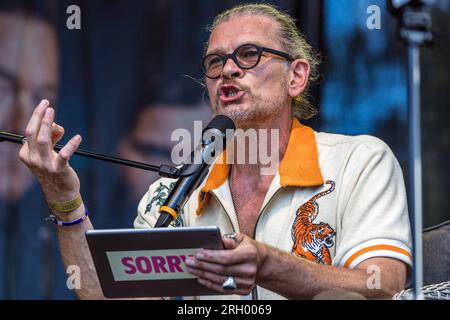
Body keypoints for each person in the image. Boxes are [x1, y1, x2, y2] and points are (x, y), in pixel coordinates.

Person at [19, 3, 412, 300]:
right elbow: (110, 297)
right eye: (215, 62)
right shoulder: (175, 189)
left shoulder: (359, 161)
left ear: (296, 77)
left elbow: (382, 285)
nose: (228, 70)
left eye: (249, 55)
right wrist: (64, 198)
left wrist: (267, 264)